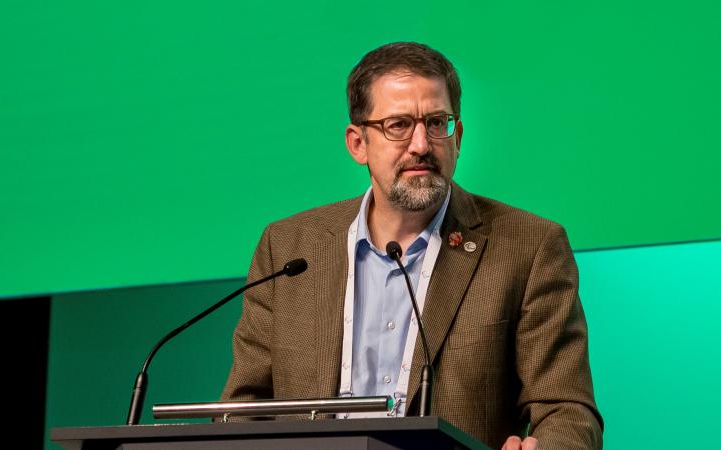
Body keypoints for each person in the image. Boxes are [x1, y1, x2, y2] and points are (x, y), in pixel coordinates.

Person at [221, 42, 603, 450]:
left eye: (437, 123)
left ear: (458, 138)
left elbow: (567, 410)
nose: (421, 144)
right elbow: (244, 408)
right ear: (358, 143)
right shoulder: (289, 249)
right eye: (398, 125)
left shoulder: (529, 249)